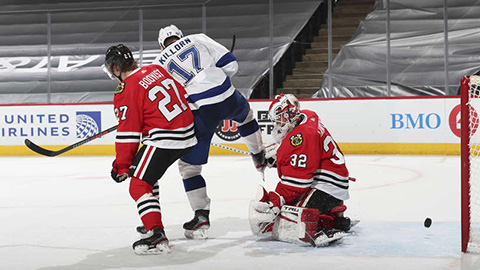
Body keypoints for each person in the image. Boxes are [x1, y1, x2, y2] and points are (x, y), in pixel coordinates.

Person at [151, 25, 265, 239]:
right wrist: (216, 79)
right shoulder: (197, 38)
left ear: (161, 45)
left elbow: (169, 101)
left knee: (189, 168)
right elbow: (231, 64)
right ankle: (258, 154)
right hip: (227, 93)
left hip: (201, 111)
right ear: (180, 36)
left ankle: (201, 216)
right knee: (246, 116)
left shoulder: (158, 63)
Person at [104, 44, 197, 254]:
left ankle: (156, 234)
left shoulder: (126, 89)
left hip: (166, 139)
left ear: (116, 67)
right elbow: (182, 95)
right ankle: (151, 223)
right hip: (187, 134)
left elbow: (128, 134)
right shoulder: (157, 69)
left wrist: (121, 167)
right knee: (148, 176)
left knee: (137, 185)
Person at [249, 93, 355, 247]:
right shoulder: (307, 116)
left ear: (289, 115)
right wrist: (279, 155)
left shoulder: (302, 136)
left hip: (325, 187)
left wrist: (277, 199)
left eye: (279, 120)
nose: (277, 124)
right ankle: (337, 218)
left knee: (288, 218)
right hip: (333, 182)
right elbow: (304, 153)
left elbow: (298, 182)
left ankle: (322, 227)